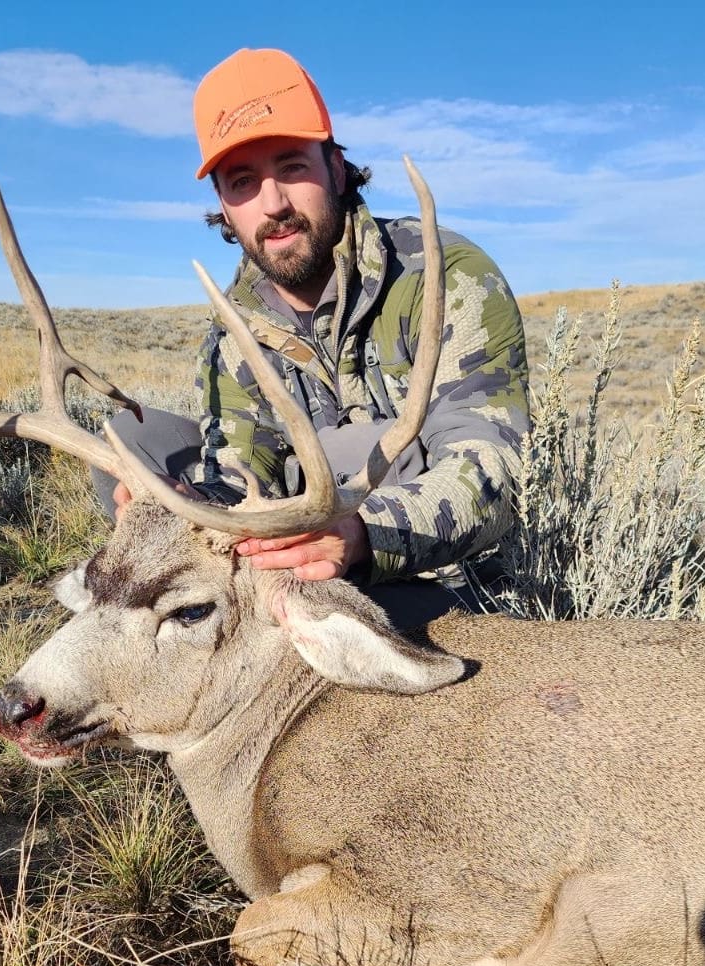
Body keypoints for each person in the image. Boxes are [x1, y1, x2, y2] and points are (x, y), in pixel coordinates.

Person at [99, 48, 528, 619]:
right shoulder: (237, 326)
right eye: (243, 182)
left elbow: (494, 464)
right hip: (304, 542)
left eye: (292, 166)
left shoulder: (446, 276)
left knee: (364, 449)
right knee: (128, 449)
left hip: (436, 560)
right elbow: (238, 465)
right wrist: (193, 509)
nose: (272, 204)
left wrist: (361, 532)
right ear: (224, 208)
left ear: (336, 167)